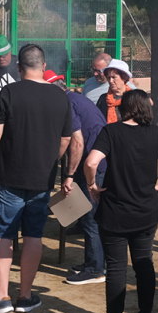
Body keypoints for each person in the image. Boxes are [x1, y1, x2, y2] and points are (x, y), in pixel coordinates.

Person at [83, 90, 158, 313]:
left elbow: (91, 163)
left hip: (114, 213)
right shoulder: (155, 133)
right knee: (144, 264)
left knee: (117, 268)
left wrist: (91, 186)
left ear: (124, 108)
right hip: (145, 211)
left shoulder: (111, 131)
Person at [0, 44, 74, 313]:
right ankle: (26, 296)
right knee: (34, 235)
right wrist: (51, 159)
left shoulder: (10, 92)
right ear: (44, 66)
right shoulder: (60, 96)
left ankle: (1, 297)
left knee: (3, 233)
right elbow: (66, 139)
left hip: (10, 177)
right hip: (43, 178)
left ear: (18, 69)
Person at [41, 71, 111, 286]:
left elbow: (77, 143)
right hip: (93, 163)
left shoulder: (68, 105)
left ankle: (95, 270)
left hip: (94, 166)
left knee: (91, 220)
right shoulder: (75, 99)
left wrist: (69, 174)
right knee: (82, 213)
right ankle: (94, 261)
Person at [95, 59, 133, 123]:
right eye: (109, 78)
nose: (110, 81)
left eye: (114, 77)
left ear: (124, 78)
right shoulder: (103, 99)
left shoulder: (133, 98)